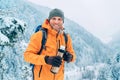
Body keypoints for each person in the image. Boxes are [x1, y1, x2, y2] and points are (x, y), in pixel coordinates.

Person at [24, 8, 76, 80]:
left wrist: (70, 57)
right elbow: (27, 55)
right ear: (49, 20)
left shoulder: (66, 37)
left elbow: (73, 55)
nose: (56, 22)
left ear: (63, 21)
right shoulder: (40, 35)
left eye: (59, 19)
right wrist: (46, 59)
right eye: (54, 18)